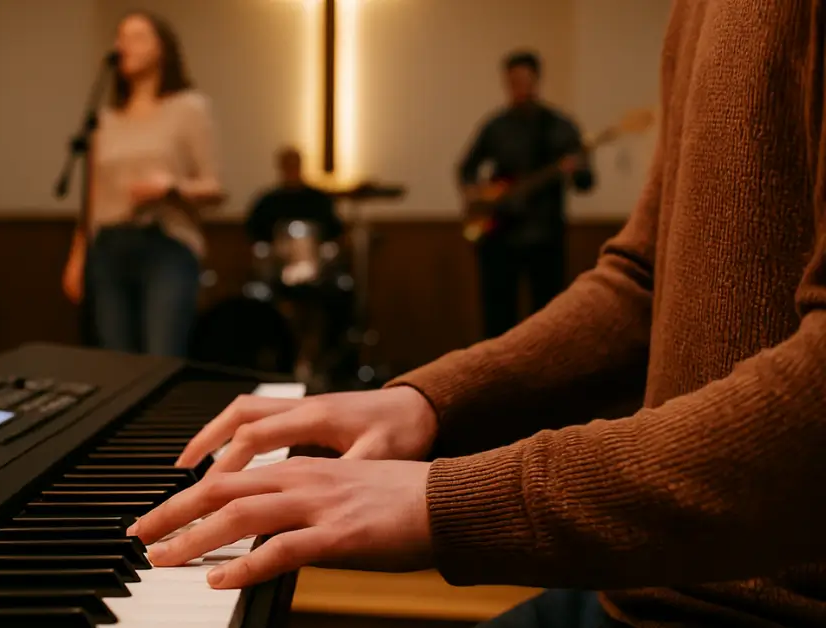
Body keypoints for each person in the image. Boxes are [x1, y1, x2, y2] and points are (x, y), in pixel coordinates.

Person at [127, 1, 826, 626]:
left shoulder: (556, 126)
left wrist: (449, 499)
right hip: (653, 580)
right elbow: (642, 283)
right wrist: (423, 402)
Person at [61, 11, 223, 358]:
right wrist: (78, 257)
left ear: (162, 48)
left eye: (136, 37)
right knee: (116, 363)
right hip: (108, 248)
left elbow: (214, 188)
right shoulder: (104, 121)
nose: (123, 46)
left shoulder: (189, 108)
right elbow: (93, 198)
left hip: (165, 244)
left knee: (161, 357)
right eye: (120, 37)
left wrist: (170, 188)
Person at [458, 50, 595, 340]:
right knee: (497, 318)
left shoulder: (560, 127)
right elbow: (466, 168)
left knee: (546, 318)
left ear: (536, 80)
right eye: (512, 81)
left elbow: (586, 182)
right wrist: (479, 196)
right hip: (499, 236)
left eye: (523, 80)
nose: (518, 86)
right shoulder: (495, 126)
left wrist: (574, 171)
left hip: (545, 236)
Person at [245, 147, 346, 386]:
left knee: (331, 304)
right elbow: (254, 239)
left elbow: (336, 237)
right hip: (275, 279)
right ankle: (281, 362)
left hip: (317, 279)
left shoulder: (318, 200)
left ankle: (316, 362)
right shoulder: (268, 202)